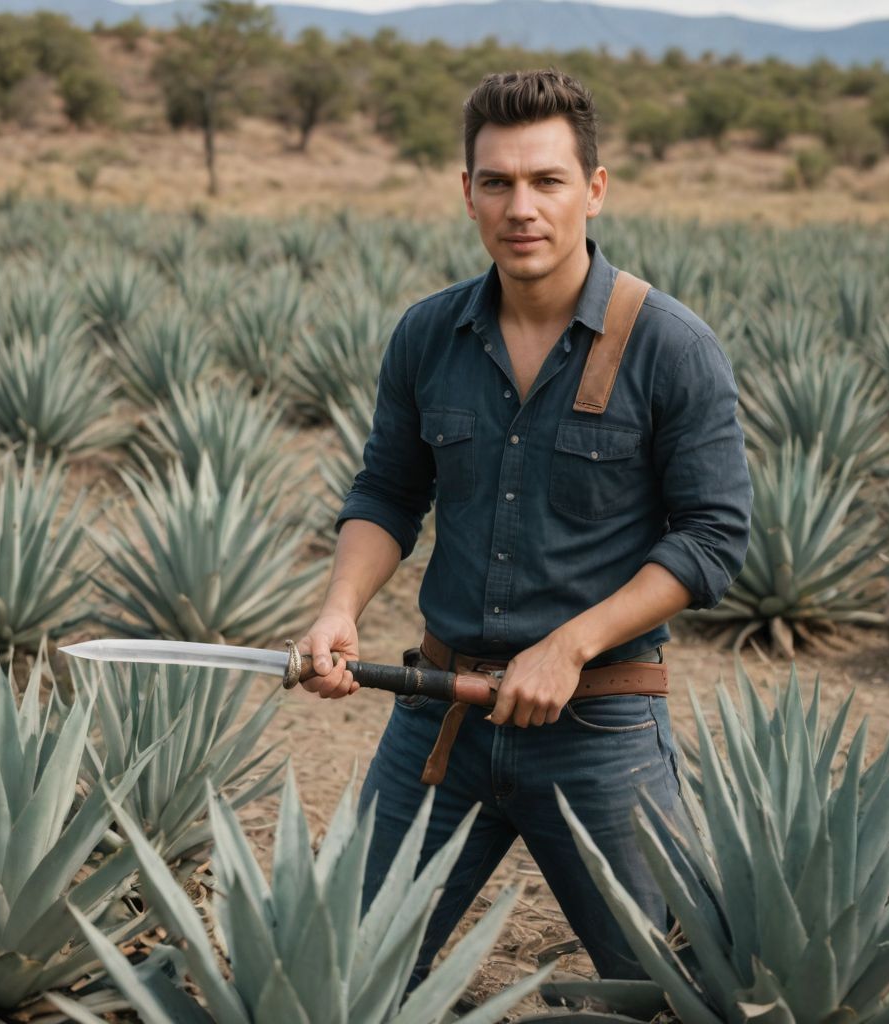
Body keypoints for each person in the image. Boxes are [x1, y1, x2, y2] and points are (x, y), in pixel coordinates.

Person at [297, 69, 752, 983]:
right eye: (497, 182)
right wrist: (341, 606)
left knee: (671, 991)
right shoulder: (428, 336)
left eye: (546, 180)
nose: (521, 206)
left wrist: (570, 647)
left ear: (594, 188)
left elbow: (712, 537)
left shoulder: (671, 345)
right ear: (467, 192)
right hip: (439, 721)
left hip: (601, 731)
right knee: (334, 976)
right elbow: (388, 491)